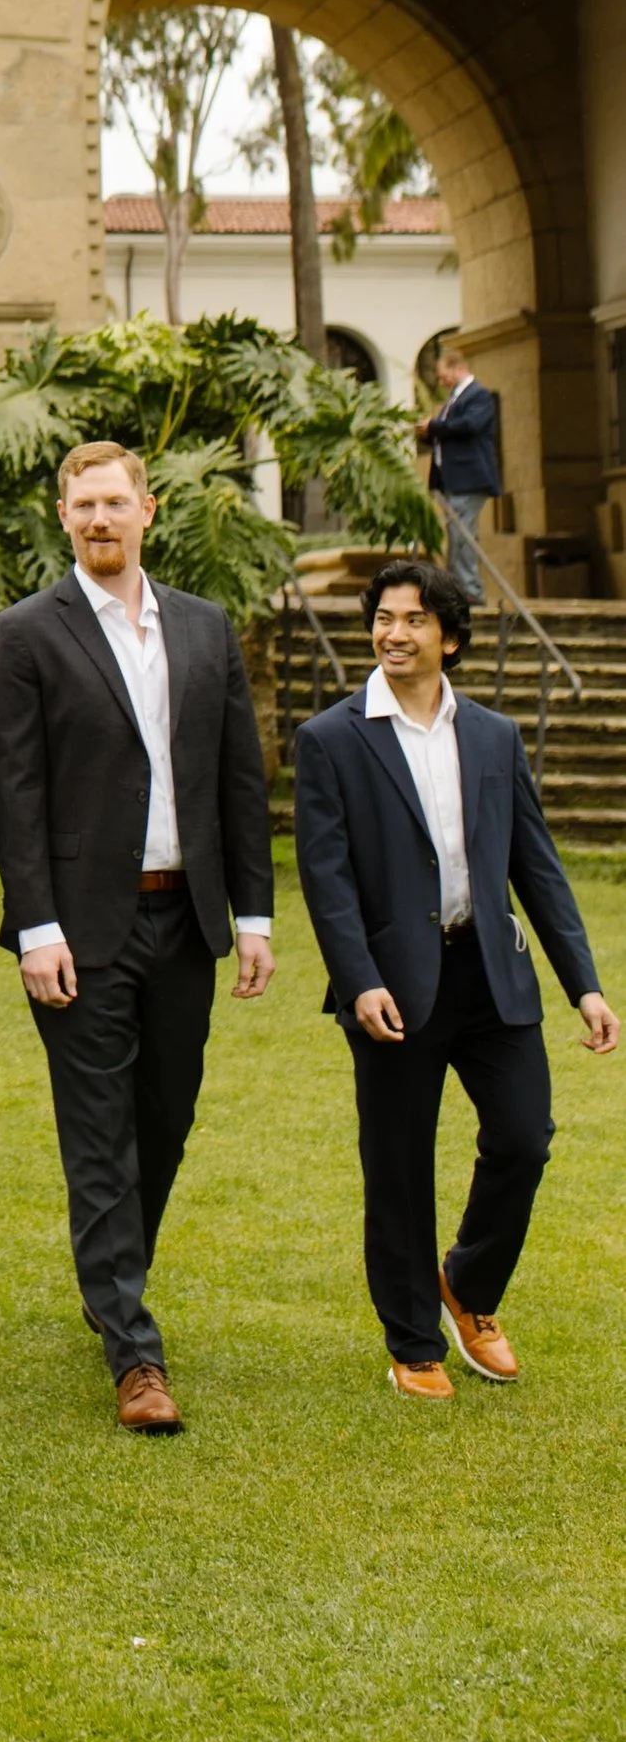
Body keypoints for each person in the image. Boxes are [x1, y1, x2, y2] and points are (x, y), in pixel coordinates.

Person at [0, 441, 275, 1436]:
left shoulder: (203, 628)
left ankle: (112, 1275)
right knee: (99, 1133)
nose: (100, 519)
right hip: (79, 929)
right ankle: (133, 1352)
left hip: (184, 919)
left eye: (115, 502)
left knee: (166, 1115)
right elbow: (13, 794)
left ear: (147, 510)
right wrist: (35, 926)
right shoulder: (26, 634)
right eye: (83, 506)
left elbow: (239, 776)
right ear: (61, 518)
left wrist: (256, 915)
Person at [292, 556, 617, 1399]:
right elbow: (325, 880)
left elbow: (536, 868)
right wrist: (356, 979)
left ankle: (468, 1288)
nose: (393, 634)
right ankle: (414, 1343)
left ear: (452, 638)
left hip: (489, 973)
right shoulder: (331, 739)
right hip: (391, 987)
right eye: (384, 620)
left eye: (413, 621)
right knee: (398, 1164)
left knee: (523, 1136)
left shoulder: (494, 737)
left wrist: (583, 983)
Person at [415, 344, 502, 605]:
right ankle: (459, 590)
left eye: (443, 374)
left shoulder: (478, 396)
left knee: (462, 537)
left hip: (469, 479)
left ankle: (471, 591)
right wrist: (430, 432)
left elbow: (469, 426)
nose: (440, 380)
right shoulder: (453, 399)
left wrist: (435, 426)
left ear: (458, 368)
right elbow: (450, 433)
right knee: (456, 535)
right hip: (451, 481)